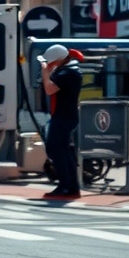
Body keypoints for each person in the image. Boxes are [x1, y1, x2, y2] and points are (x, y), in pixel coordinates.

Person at [40, 44, 83, 199]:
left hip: (63, 116)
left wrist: (46, 73)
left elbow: (49, 89)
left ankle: (66, 186)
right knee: (62, 151)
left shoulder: (67, 73)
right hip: (64, 115)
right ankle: (71, 186)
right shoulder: (68, 71)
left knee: (56, 150)